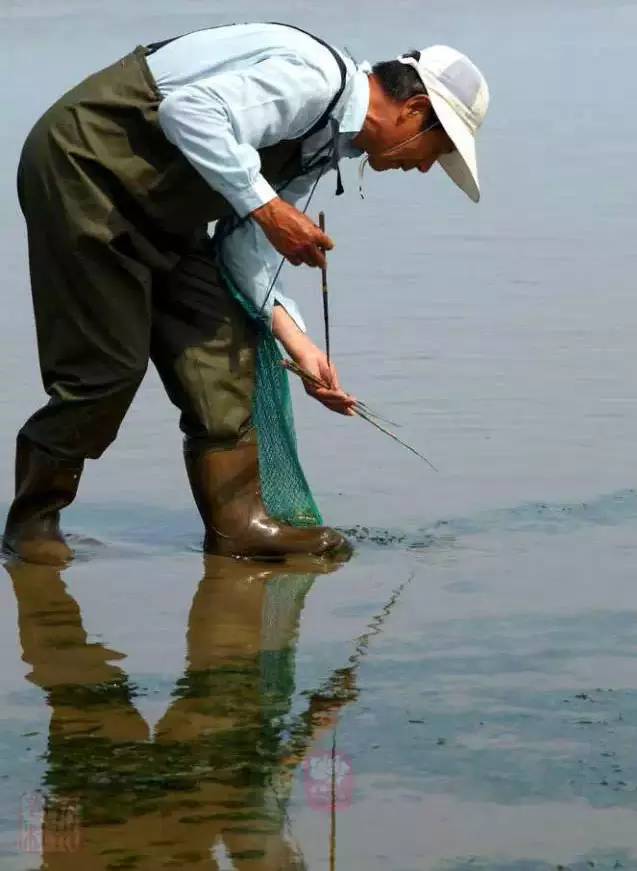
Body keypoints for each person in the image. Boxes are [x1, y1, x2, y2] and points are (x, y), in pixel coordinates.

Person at [2, 22, 489, 566]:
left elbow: (245, 253)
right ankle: (32, 522)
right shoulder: (311, 79)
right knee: (106, 369)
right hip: (86, 171)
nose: (423, 167)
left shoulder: (324, 146)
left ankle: (239, 526)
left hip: (167, 211)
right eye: (435, 150)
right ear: (415, 110)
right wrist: (271, 209)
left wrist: (302, 348)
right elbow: (188, 114)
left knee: (225, 346)